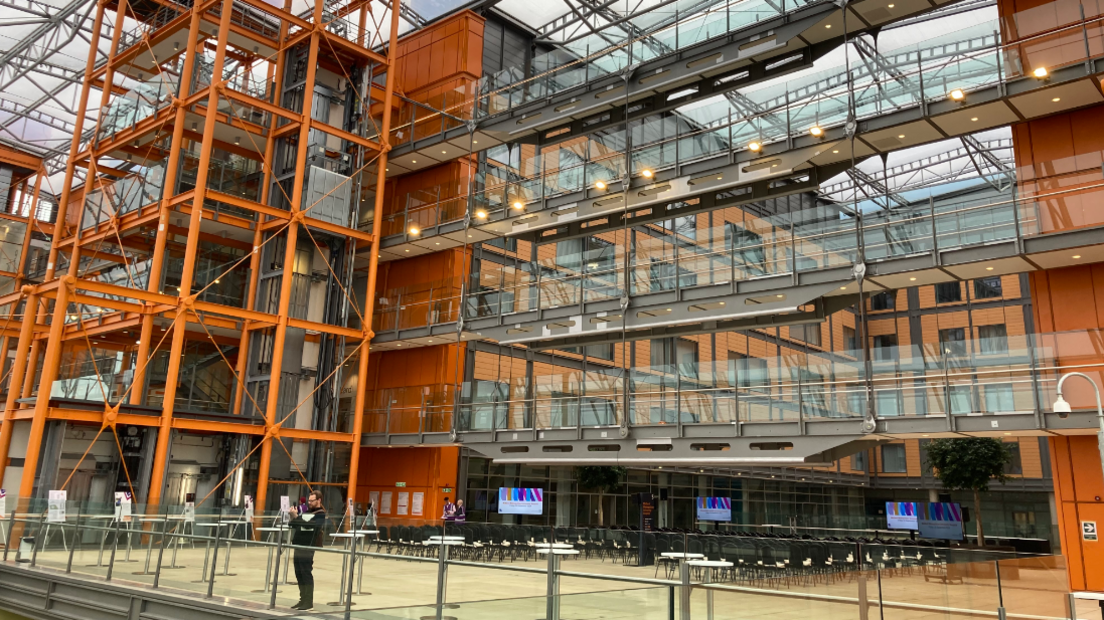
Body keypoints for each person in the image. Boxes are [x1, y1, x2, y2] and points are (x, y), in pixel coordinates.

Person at [288, 490, 326, 610]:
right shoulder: (306, 512)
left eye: (312, 501)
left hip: (308, 546)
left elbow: (311, 525)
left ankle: (308, 601)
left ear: (319, 500)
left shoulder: (320, 514)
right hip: (299, 544)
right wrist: (293, 517)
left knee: (306, 572)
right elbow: (294, 525)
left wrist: (297, 517)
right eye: (308, 500)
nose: (309, 503)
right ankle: (302, 599)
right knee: (299, 573)